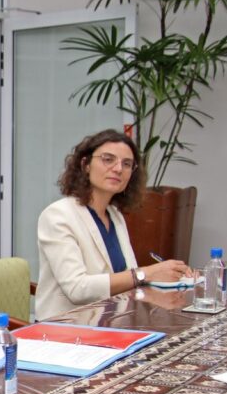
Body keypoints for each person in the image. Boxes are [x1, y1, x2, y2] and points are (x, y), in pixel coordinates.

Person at [35, 129, 190, 320]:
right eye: (108, 159)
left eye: (127, 164)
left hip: (112, 323)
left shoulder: (115, 215)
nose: (118, 169)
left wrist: (172, 275)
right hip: (65, 328)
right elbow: (77, 289)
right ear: (85, 164)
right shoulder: (58, 215)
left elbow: (127, 279)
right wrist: (147, 273)